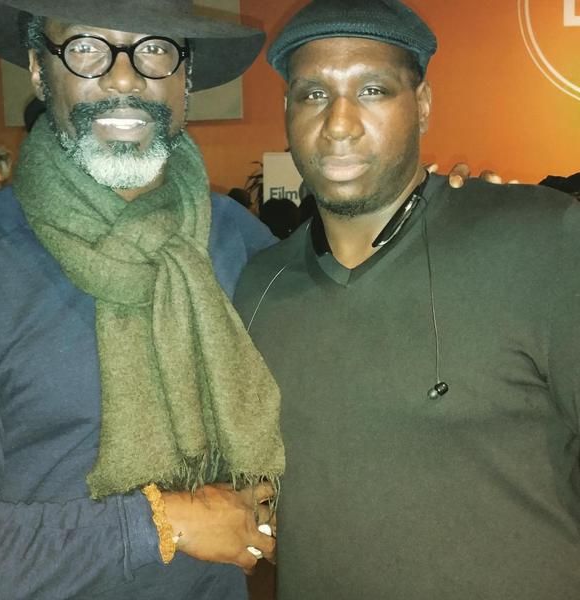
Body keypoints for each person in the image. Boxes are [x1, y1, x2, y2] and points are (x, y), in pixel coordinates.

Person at [234, 1, 580, 598]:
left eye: (372, 89)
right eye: (313, 94)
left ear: (421, 105)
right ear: (288, 111)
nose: (339, 123)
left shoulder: (539, 242)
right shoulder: (257, 285)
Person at [0, 0, 284, 598]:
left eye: (155, 48)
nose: (125, 78)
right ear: (39, 70)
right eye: (86, 48)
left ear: (185, 76)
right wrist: (164, 523)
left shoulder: (242, 243)